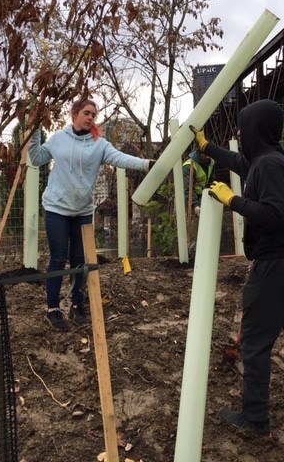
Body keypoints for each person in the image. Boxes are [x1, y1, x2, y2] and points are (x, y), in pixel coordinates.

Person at [190, 99, 284, 436]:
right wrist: (207, 147)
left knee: (254, 342)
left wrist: (233, 201)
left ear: (256, 130)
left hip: (277, 264)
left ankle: (256, 419)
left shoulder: (270, 166)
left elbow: (274, 214)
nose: (239, 132)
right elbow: (238, 161)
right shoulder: (266, 159)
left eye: (243, 126)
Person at [29, 98, 154, 331]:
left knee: (80, 260)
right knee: (58, 258)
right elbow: (36, 158)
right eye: (86, 113)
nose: (90, 118)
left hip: (83, 211)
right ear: (74, 114)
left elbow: (121, 158)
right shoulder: (58, 139)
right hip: (56, 208)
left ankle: (77, 304)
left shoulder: (99, 144)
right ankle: (53, 309)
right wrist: (35, 128)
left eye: (93, 115)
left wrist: (147, 164)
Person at [182, 146, 215, 248]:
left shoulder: (211, 162)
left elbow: (211, 180)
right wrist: (195, 205)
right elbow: (188, 189)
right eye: (206, 155)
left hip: (203, 195)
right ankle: (190, 248)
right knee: (192, 223)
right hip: (188, 197)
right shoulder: (189, 166)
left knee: (206, 223)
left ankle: (204, 247)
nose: (208, 157)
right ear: (199, 154)